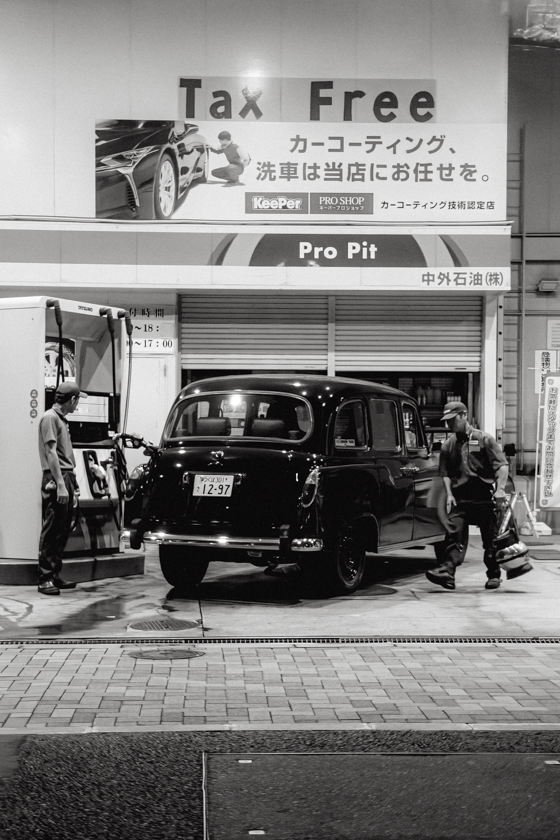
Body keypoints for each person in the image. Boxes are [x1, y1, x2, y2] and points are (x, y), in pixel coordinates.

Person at [426, 401, 509, 591]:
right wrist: (449, 495)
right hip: (460, 497)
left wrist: (500, 490)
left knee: (490, 539)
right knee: (453, 536)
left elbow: (502, 465)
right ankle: (447, 573)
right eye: (446, 421)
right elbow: (445, 474)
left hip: (483, 496)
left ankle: (494, 574)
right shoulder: (448, 445)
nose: (449, 424)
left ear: (464, 415)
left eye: (452, 420)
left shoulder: (484, 439)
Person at [37, 381, 86, 595]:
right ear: (72, 399)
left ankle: (54, 574)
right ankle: (45, 579)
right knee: (52, 528)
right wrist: (60, 484)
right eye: (77, 400)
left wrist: (72, 484)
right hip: (56, 477)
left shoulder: (61, 420)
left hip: (66, 476)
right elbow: (51, 453)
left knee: (63, 528)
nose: (78, 404)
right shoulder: (50, 418)